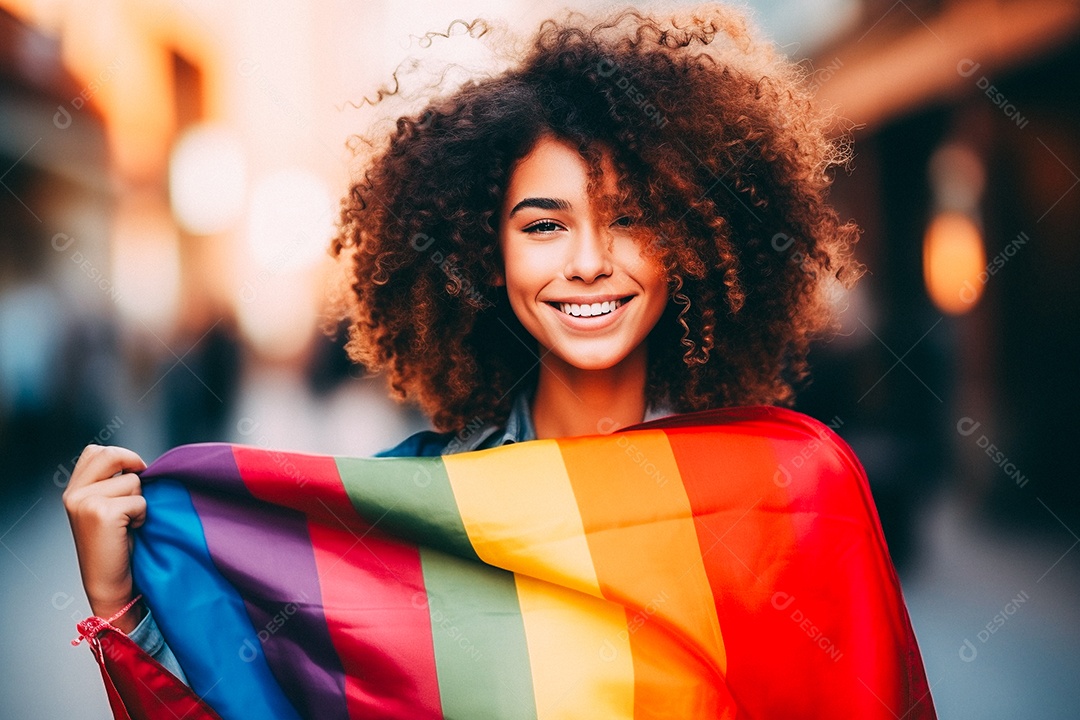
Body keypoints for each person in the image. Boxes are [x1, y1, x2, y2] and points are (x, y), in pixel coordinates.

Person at [65, 3, 864, 697]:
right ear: (488, 256)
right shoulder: (414, 516)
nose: (588, 260)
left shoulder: (779, 501)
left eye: (630, 217)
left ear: (689, 241)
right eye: (544, 225)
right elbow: (264, 692)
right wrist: (122, 605)